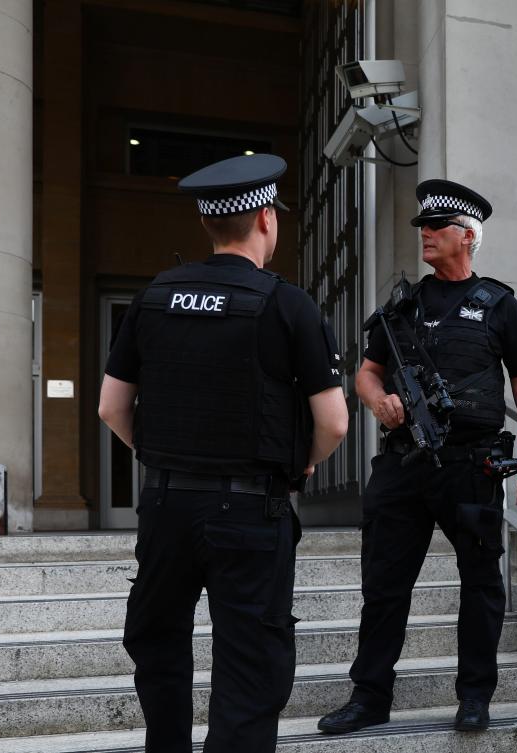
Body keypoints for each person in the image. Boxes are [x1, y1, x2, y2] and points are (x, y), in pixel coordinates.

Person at [97, 153, 350, 753]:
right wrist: (301, 462)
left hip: (165, 502)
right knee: (250, 662)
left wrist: (160, 456)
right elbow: (334, 422)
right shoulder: (289, 305)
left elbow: (111, 407)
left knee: (159, 645)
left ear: (209, 225)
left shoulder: (154, 297)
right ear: (266, 220)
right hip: (250, 512)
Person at [317, 179, 517, 735]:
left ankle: (474, 696)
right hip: (403, 464)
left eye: (436, 228)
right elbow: (365, 374)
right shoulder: (402, 308)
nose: (425, 235)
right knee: (385, 585)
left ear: (466, 237)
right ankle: (369, 697)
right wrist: (379, 401)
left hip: (471, 465)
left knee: (481, 584)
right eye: (422, 227)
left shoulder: (500, 306)